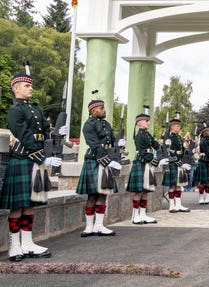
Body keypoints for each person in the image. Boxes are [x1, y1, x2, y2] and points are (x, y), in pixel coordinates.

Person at [1, 68, 63, 261]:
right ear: (16, 89)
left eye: (31, 85)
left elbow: (44, 129)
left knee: (29, 204)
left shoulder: (35, 108)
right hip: (22, 159)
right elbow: (25, 136)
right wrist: (42, 157)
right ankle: (15, 245)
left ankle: (28, 243)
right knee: (18, 206)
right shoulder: (15, 111)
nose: (31, 88)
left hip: (33, 161)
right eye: (27, 86)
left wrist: (56, 133)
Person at [77, 93, 125, 237]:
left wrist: (119, 144)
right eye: (101, 108)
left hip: (105, 161)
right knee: (92, 196)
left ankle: (99, 226)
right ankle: (89, 226)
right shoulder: (88, 125)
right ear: (93, 111)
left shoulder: (106, 124)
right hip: (94, 160)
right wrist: (108, 161)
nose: (104, 110)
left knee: (103, 195)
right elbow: (94, 145)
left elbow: (110, 141)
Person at [126, 110, 160, 224]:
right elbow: (141, 152)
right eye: (146, 121)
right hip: (141, 163)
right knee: (139, 192)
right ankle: (135, 216)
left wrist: (162, 149)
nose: (148, 123)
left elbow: (155, 145)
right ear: (140, 123)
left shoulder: (147, 134)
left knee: (145, 191)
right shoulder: (140, 136)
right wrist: (153, 160)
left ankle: (143, 214)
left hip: (147, 164)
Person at [162, 115, 191, 213]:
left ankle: (178, 205)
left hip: (179, 162)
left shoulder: (179, 137)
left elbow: (181, 150)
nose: (179, 128)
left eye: (179, 126)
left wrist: (185, 152)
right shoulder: (168, 137)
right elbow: (168, 151)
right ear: (172, 126)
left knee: (179, 185)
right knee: (172, 186)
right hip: (173, 163)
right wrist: (176, 160)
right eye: (177, 126)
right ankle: (171, 205)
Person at [193, 124, 209, 205]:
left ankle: (208, 198)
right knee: (202, 182)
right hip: (203, 162)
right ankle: (201, 198)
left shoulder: (208, 140)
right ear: (203, 133)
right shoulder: (203, 141)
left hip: (207, 162)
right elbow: (207, 151)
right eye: (207, 131)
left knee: (208, 181)